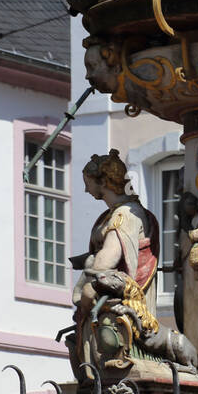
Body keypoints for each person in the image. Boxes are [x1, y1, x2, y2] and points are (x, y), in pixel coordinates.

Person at [70, 150, 159, 381]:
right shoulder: (110, 214)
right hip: (103, 294)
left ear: (103, 181)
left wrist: (87, 289)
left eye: (88, 183)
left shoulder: (126, 215)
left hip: (116, 297)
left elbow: (107, 259)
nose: (86, 189)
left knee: (106, 355)